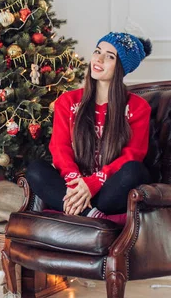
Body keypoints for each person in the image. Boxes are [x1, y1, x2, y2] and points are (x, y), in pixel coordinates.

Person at [26, 32, 152, 223]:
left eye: (110, 56)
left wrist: (93, 183)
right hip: (74, 187)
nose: (98, 59)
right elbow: (60, 149)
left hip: (110, 190)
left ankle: (82, 209)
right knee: (35, 169)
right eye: (97, 51)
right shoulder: (68, 102)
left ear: (121, 68)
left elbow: (132, 154)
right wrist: (76, 184)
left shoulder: (138, 107)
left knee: (134, 170)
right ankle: (91, 214)